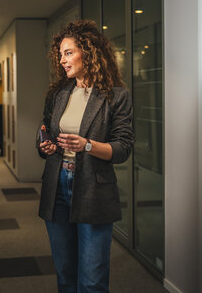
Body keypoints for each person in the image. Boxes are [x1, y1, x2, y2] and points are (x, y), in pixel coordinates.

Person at [38, 20, 134, 292]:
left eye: (68, 53)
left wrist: (88, 145)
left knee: (92, 279)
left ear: (89, 53)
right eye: (60, 55)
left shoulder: (116, 95)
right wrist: (45, 145)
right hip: (57, 187)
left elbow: (123, 148)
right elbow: (45, 129)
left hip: (93, 188)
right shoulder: (59, 93)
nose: (62, 60)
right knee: (65, 274)